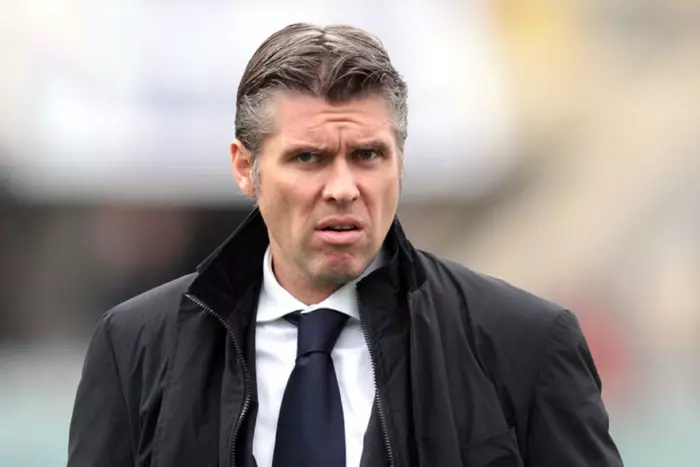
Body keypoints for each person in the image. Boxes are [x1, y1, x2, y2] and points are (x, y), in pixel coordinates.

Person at [67, 23, 624, 467]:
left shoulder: (525, 342)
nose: (342, 188)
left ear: (400, 162)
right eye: (308, 158)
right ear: (244, 168)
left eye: (367, 155)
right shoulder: (137, 344)